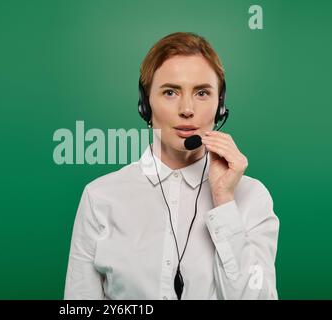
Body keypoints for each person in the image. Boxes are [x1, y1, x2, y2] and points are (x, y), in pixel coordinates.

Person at [64, 32, 279, 300]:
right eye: (170, 92)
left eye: (202, 93)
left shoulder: (252, 197)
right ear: (145, 106)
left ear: (220, 107)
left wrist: (224, 202)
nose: (187, 109)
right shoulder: (100, 197)